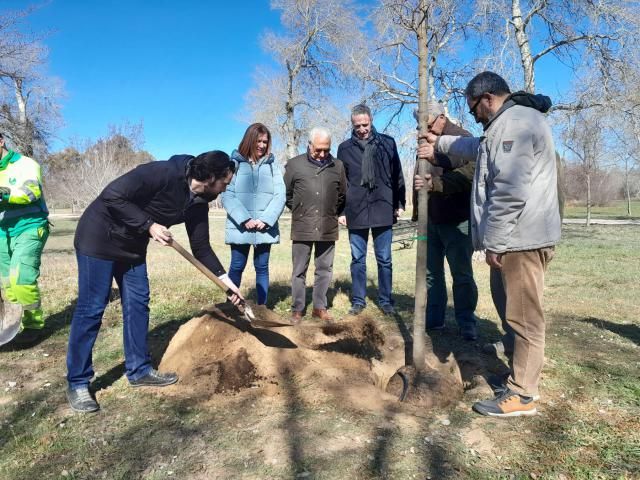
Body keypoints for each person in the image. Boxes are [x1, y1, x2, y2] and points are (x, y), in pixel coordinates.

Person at [420, 71, 561, 417]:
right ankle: (517, 359)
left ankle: (522, 394)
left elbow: (510, 192)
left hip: (521, 238)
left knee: (525, 316)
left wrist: (494, 243)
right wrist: (437, 145)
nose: (472, 117)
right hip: (513, 238)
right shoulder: (502, 126)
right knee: (510, 307)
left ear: (487, 98)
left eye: (473, 109)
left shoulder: (516, 124)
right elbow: (478, 148)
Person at [66, 151, 242, 413]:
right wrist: (149, 225)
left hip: (132, 247)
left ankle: (138, 370)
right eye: (225, 183)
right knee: (92, 308)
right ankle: (78, 382)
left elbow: (202, 247)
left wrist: (227, 282)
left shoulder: (200, 202)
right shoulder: (163, 173)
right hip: (98, 238)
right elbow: (111, 195)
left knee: (138, 302)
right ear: (211, 177)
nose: (226, 188)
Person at [412, 101, 478, 341]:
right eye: (422, 128)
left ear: (440, 117)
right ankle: (435, 319)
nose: (425, 132)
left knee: (461, 274)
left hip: (457, 218)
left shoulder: (462, 138)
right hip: (430, 220)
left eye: (428, 126)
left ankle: (466, 322)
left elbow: (470, 173)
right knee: (432, 274)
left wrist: (437, 159)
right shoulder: (425, 141)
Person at [337, 104, 406, 316]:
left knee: (384, 259)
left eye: (365, 125)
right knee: (358, 258)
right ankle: (358, 301)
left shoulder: (387, 143)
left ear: (371, 120)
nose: (362, 129)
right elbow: (341, 182)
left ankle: (386, 300)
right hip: (355, 210)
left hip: (382, 207)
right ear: (352, 124)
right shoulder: (345, 148)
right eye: (357, 126)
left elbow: (397, 175)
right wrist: (340, 211)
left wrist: (399, 203)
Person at [284, 127, 346, 323]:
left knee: (324, 269)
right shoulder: (294, 165)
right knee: (299, 270)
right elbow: (287, 194)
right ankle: (297, 309)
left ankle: (319, 307)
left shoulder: (338, 166)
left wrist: (332, 211)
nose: (322, 154)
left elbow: (342, 194)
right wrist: (301, 209)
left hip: (328, 226)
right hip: (302, 225)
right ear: (309, 145)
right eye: (318, 149)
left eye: (326, 150)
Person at [221, 123, 286, 305]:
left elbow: (280, 195)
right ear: (250, 140)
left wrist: (266, 219)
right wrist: (245, 219)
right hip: (240, 228)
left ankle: (262, 308)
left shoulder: (273, 166)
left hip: (265, 228)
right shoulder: (234, 165)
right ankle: (230, 308)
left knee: (262, 268)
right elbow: (227, 194)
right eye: (258, 141)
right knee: (236, 267)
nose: (262, 145)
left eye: (265, 142)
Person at [0, 133, 49, 343]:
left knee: (21, 279)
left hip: (30, 227)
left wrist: (3, 194)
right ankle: (11, 325)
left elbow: (32, 192)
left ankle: (34, 325)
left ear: (1, 141)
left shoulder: (25, 164)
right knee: (6, 283)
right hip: (3, 231)